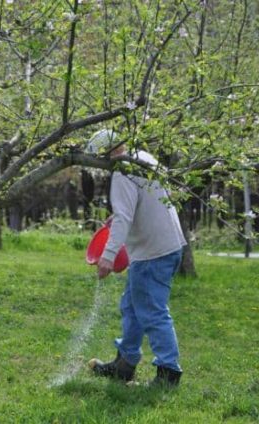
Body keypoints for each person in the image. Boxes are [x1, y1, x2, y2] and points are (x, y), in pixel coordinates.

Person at [86, 129, 187, 386]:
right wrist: (117, 218)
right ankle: (125, 364)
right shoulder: (142, 158)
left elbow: (124, 217)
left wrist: (108, 256)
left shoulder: (122, 171)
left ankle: (168, 373)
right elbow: (141, 203)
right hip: (165, 246)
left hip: (153, 253)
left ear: (105, 154)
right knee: (131, 306)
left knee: (152, 312)